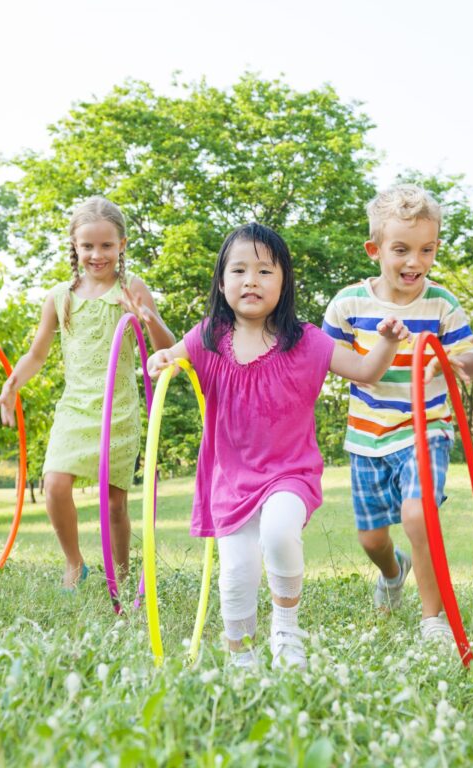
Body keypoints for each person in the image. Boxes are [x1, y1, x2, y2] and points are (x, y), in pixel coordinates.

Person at [146, 222, 408, 670]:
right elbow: (171, 357)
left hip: (290, 472)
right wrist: (162, 358)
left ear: (284, 282)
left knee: (277, 531)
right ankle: (241, 658)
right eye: (239, 270)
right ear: (222, 280)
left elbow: (366, 372)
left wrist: (385, 341)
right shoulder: (207, 337)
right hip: (230, 480)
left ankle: (287, 630)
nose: (251, 280)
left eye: (265, 271)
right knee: (236, 572)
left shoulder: (304, 341)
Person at [323, 185, 473, 646]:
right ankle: (394, 574)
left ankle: (433, 621)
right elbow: (329, 360)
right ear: (376, 250)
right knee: (372, 540)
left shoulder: (441, 304)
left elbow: (471, 363)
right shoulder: (348, 304)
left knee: (418, 517)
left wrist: (460, 361)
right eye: (401, 250)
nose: (415, 261)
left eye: (426, 249)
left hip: (425, 428)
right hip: (367, 436)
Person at [0, 196, 174, 588]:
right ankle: (74, 563)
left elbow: (165, 347)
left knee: (114, 502)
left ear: (122, 244)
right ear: (74, 245)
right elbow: (37, 353)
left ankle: (122, 576)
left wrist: (148, 317)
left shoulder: (131, 287)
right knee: (55, 484)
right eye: (88, 246)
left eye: (107, 245)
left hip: (119, 407)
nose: (97, 254)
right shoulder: (60, 297)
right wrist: (12, 384)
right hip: (75, 406)